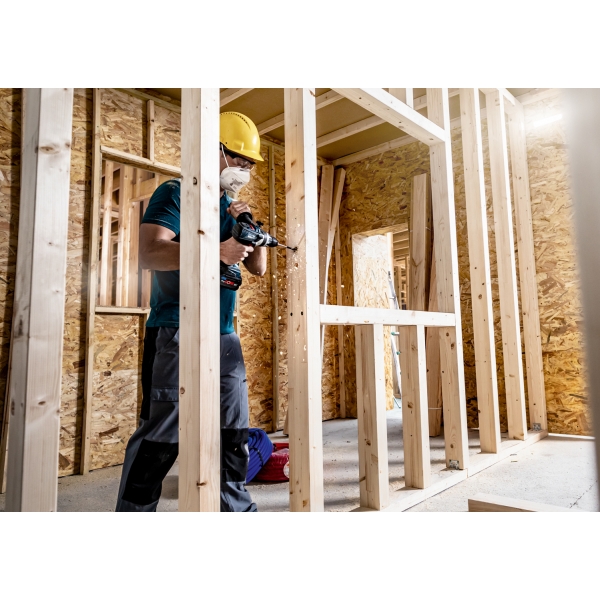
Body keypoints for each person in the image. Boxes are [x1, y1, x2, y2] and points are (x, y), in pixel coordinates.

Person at [115, 112, 266, 512]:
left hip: (224, 333)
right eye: (238, 158)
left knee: (233, 432)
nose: (244, 169)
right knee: (163, 436)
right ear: (213, 150)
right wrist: (216, 251)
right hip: (175, 330)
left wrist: (250, 228)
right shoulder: (176, 193)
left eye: (249, 164)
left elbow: (258, 268)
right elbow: (149, 254)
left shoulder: (231, 207)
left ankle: (236, 511)